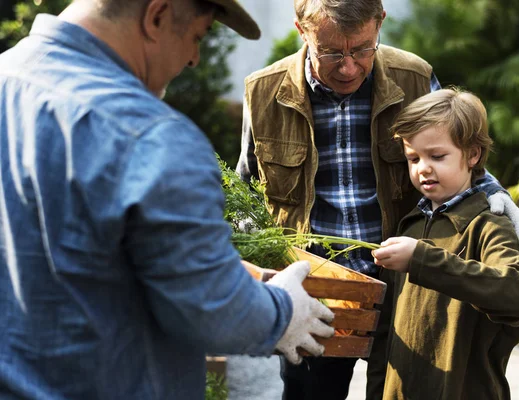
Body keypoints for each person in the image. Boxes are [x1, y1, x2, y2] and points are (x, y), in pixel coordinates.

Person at [0, 1, 336, 399]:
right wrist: (284, 311)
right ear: (156, 15)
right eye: (197, 37)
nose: (194, 59)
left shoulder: (9, 75)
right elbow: (214, 312)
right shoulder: (150, 136)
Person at [236, 1, 519, 399]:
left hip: (405, 286)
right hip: (322, 293)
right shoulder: (263, 90)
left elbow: (452, 143)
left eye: (362, 49)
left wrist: (492, 190)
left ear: (380, 25)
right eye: (332, 52)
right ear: (302, 31)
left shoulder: (415, 76)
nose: (349, 67)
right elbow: (246, 186)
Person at [372, 88, 519, 399]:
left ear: (472, 155)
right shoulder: (410, 226)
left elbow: (516, 294)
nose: (422, 168)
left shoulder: (489, 223)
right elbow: (385, 337)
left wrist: (421, 259)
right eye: (413, 158)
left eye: (437, 156)